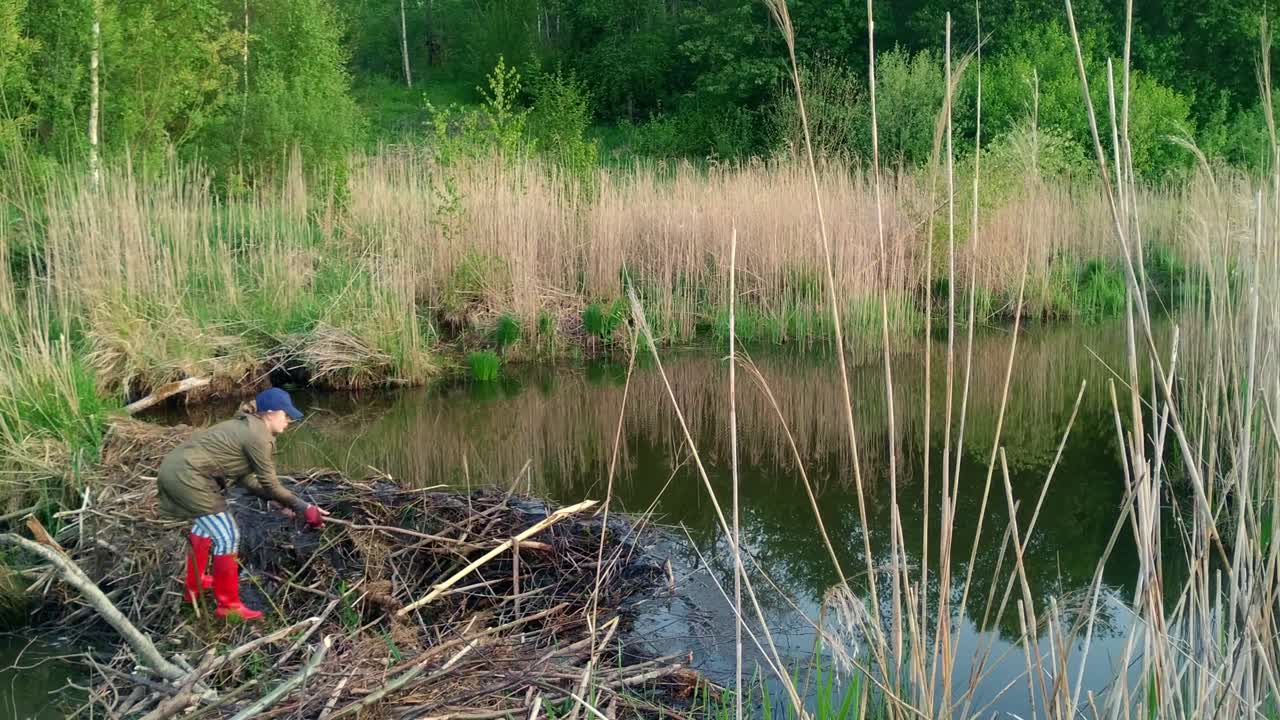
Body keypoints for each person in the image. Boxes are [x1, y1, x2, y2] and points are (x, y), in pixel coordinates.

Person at [156, 387, 329, 621]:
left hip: (176, 470)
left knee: (203, 527)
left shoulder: (246, 427)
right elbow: (270, 482)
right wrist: (304, 508)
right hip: (190, 477)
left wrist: (278, 501)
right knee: (228, 535)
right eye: (285, 414)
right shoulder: (258, 436)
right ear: (269, 413)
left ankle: (194, 585)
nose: (289, 420)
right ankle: (228, 607)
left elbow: (246, 479)